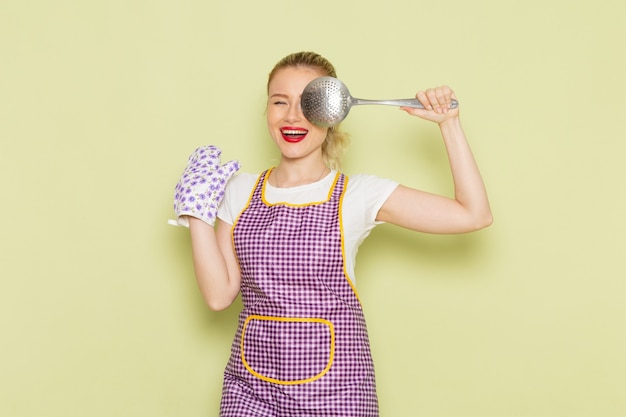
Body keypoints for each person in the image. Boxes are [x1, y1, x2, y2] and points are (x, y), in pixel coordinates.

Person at [172, 51, 492, 417]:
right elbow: (218, 296)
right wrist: (196, 214)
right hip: (249, 389)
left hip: (336, 389)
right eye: (280, 102)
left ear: (333, 115)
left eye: (309, 102)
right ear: (267, 111)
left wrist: (448, 125)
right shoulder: (239, 190)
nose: (293, 116)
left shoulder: (358, 195)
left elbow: (473, 214)